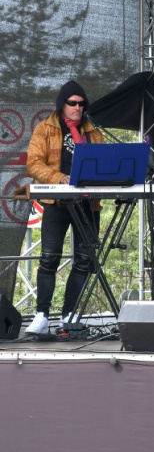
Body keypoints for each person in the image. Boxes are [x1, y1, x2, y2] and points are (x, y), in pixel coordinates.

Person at [24, 80, 104, 335]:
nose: (78, 108)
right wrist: (59, 178)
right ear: (62, 104)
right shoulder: (46, 128)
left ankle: (69, 314)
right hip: (56, 202)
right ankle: (42, 316)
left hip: (87, 203)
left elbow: (103, 164)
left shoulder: (93, 132)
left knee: (84, 259)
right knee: (49, 258)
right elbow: (34, 163)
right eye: (73, 103)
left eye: (81, 104)